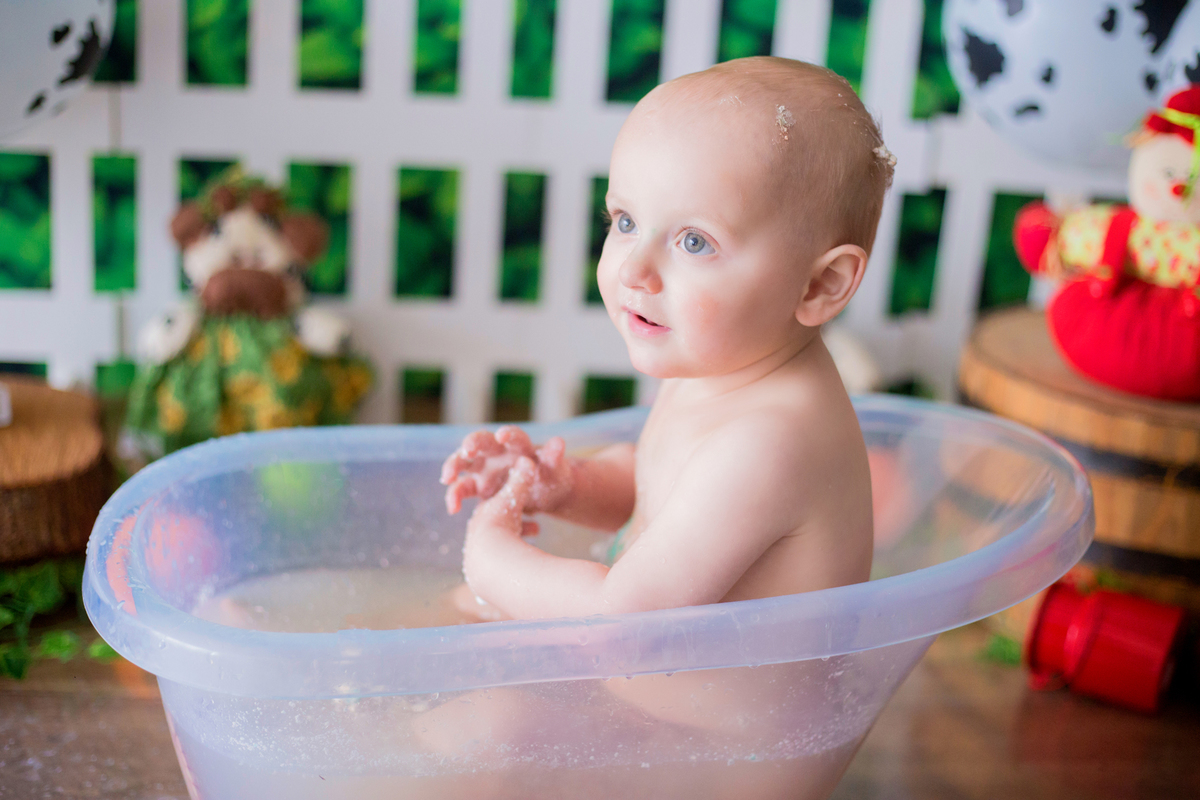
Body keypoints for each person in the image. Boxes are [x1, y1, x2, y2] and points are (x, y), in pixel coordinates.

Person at [441, 56, 892, 623]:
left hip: (704, 712)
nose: (634, 270)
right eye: (625, 221)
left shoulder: (771, 442)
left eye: (695, 242)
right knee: (454, 617)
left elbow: (620, 622)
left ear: (820, 284)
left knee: (469, 639)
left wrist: (491, 561)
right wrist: (570, 485)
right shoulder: (725, 367)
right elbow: (664, 491)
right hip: (644, 692)